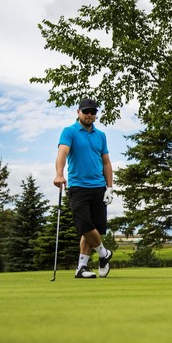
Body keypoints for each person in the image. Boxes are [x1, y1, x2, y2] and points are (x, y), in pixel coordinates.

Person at [54, 98, 115, 279]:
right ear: (78, 112)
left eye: (93, 112)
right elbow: (62, 153)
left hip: (99, 187)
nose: (89, 115)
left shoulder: (100, 135)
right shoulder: (69, 132)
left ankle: (81, 268)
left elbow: (106, 162)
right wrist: (59, 173)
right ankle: (104, 253)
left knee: (94, 228)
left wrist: (109, 187)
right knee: (84, 225)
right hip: (78, 186)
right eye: (86, 111)